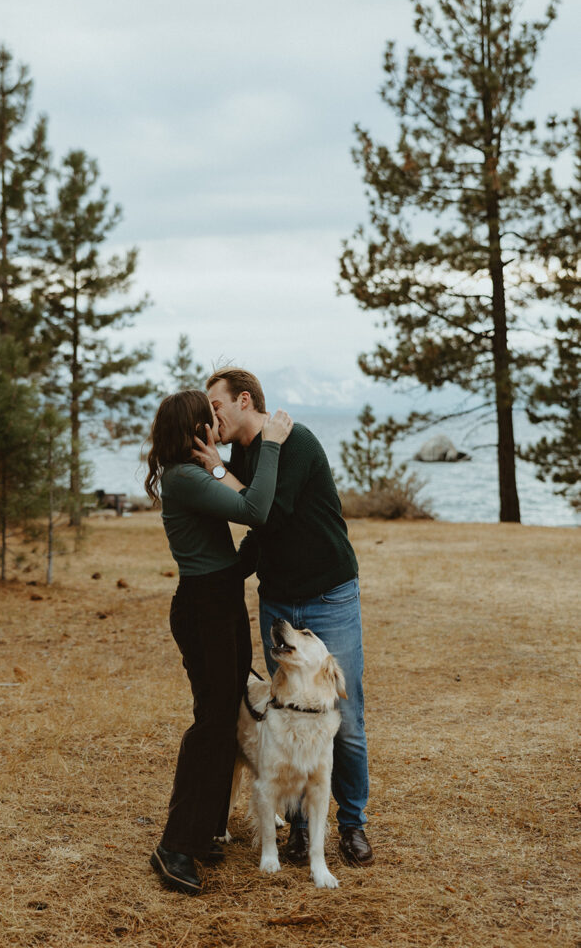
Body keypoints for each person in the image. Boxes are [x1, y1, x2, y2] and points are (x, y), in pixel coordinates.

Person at [196, 367, 374, 869]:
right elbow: (263, 535)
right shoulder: (248, 454)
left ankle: (353, 825)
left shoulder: (294, 443)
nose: (211, 418)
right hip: (279, 602)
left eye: (216, 407)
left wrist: (214, 469)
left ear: (244, 400)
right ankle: (299, 830)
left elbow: (266, 512)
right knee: (286, 712)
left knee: (347, 719)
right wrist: (227, 578)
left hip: (328, 596)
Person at [144, 389, 293, 895]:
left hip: (218, 599)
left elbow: (236, 497)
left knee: (223, 714)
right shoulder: (185, 477)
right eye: (208, 417)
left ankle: (203, 831)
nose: (216, 421)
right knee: (211, 723)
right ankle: (174, 847)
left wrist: (219, 465)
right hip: (205, 607)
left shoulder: (189, 473)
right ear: (194, 428)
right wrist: (269, 443)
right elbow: (256, 508)